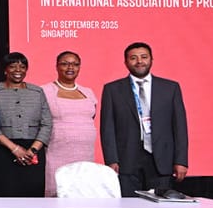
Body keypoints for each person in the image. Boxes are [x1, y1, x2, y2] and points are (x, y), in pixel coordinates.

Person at [100, 41, 189, 197]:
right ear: (126, 62)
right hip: (126, 160)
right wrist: (111, 160)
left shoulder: (170, 88)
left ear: (151, 59)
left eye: (144, 57)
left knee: (160, 207)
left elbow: (180, 127)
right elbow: (107, 128)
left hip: (162, 160)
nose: (139, 61)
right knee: (128, 206)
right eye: (133, 58)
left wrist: (181, 160)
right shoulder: (112, 89)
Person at [0, 52, 53, 198]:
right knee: (4, 195)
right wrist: (14, 148)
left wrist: (33, 151)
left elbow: (47, 123)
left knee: (33, 197)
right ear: (5, 70)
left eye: (22, 67)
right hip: (4, 149)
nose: (18, 70)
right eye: (12, 66)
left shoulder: (37, 92)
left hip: (33, 151)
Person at [43, 50, 98, 197]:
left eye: (75, 64)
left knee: (83, 195)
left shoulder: (88, 92)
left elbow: (91, 118)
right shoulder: (45, 91)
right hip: (56, 154)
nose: (70, 68)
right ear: (56, 66)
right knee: (57, 195)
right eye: (65, 64)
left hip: (85, 156)